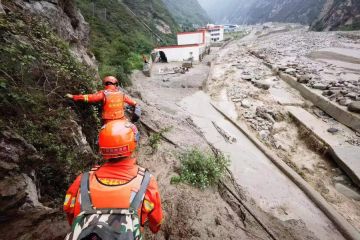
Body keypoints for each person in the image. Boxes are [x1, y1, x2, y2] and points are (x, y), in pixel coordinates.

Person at [63, 119, 163, 239]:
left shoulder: (82, 180)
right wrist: (154, 228)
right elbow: (156, 221)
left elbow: (69, 213)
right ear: (133, 145)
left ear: (102, 147)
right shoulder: (146, 182)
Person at [65, 76, 140, 122]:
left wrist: (74, 97)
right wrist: (136, 105)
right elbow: (133, 103)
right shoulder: (122, 94)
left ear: (105, 84)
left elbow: (90, 98)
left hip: (108, 120)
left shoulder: (103, 94)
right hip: (121, 119)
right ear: (116, 85)